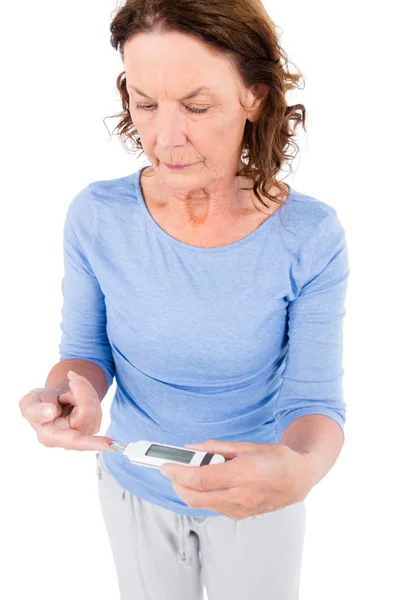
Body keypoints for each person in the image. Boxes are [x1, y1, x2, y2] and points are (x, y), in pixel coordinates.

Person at [19, 1, 350, 599]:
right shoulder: (97, 217)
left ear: (253, 96)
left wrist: (299, 472)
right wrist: (75, 392)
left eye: (197, 107)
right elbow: (84, 353)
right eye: (145, 104)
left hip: (257, 496)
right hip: (133, 487)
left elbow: (314, 400)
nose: (164, 139)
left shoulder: (310, 237)